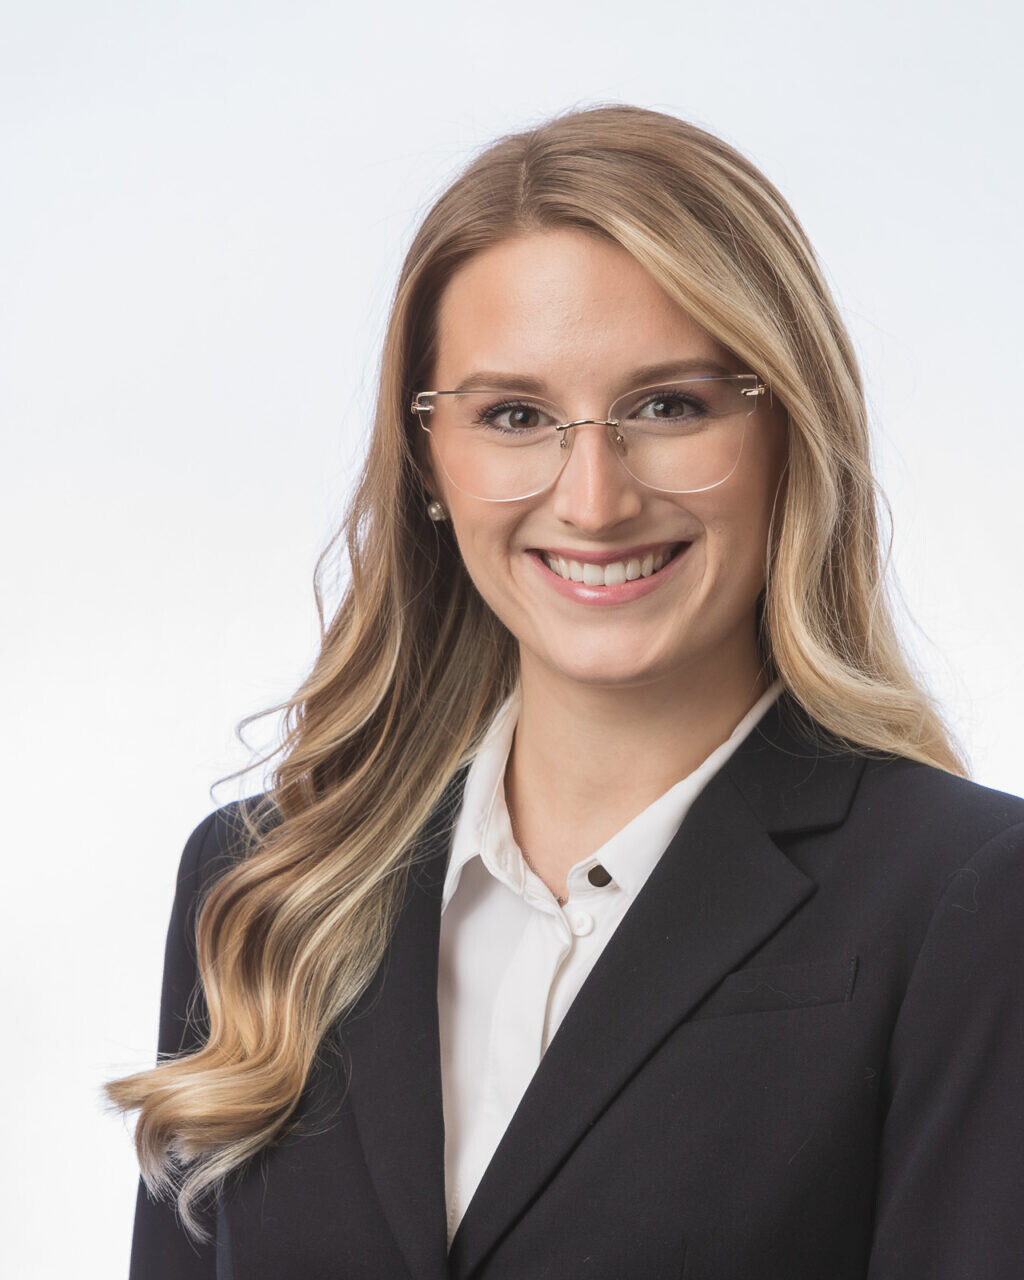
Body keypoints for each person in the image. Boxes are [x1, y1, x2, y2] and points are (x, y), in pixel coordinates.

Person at [106, 104, 1024, 1279]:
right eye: (515, 416)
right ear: (428, 461)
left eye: (668, 406)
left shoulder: (966, 902)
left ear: (788, 431)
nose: (591, 498)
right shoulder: (265, 885)